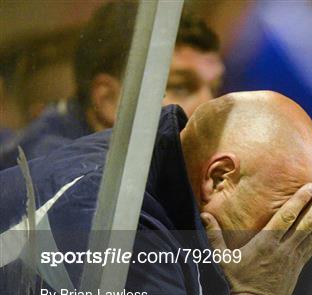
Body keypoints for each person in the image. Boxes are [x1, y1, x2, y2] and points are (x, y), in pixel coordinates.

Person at [0, 91, 312, 295]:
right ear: (219, 178)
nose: (284, 250)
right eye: (285, 221)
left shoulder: (168, 202)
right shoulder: (118, 219)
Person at [0, 1, 224, 170]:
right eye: (180, 87)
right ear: (108, 99)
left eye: (214, 89)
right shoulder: (65, 180)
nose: (211, 107)